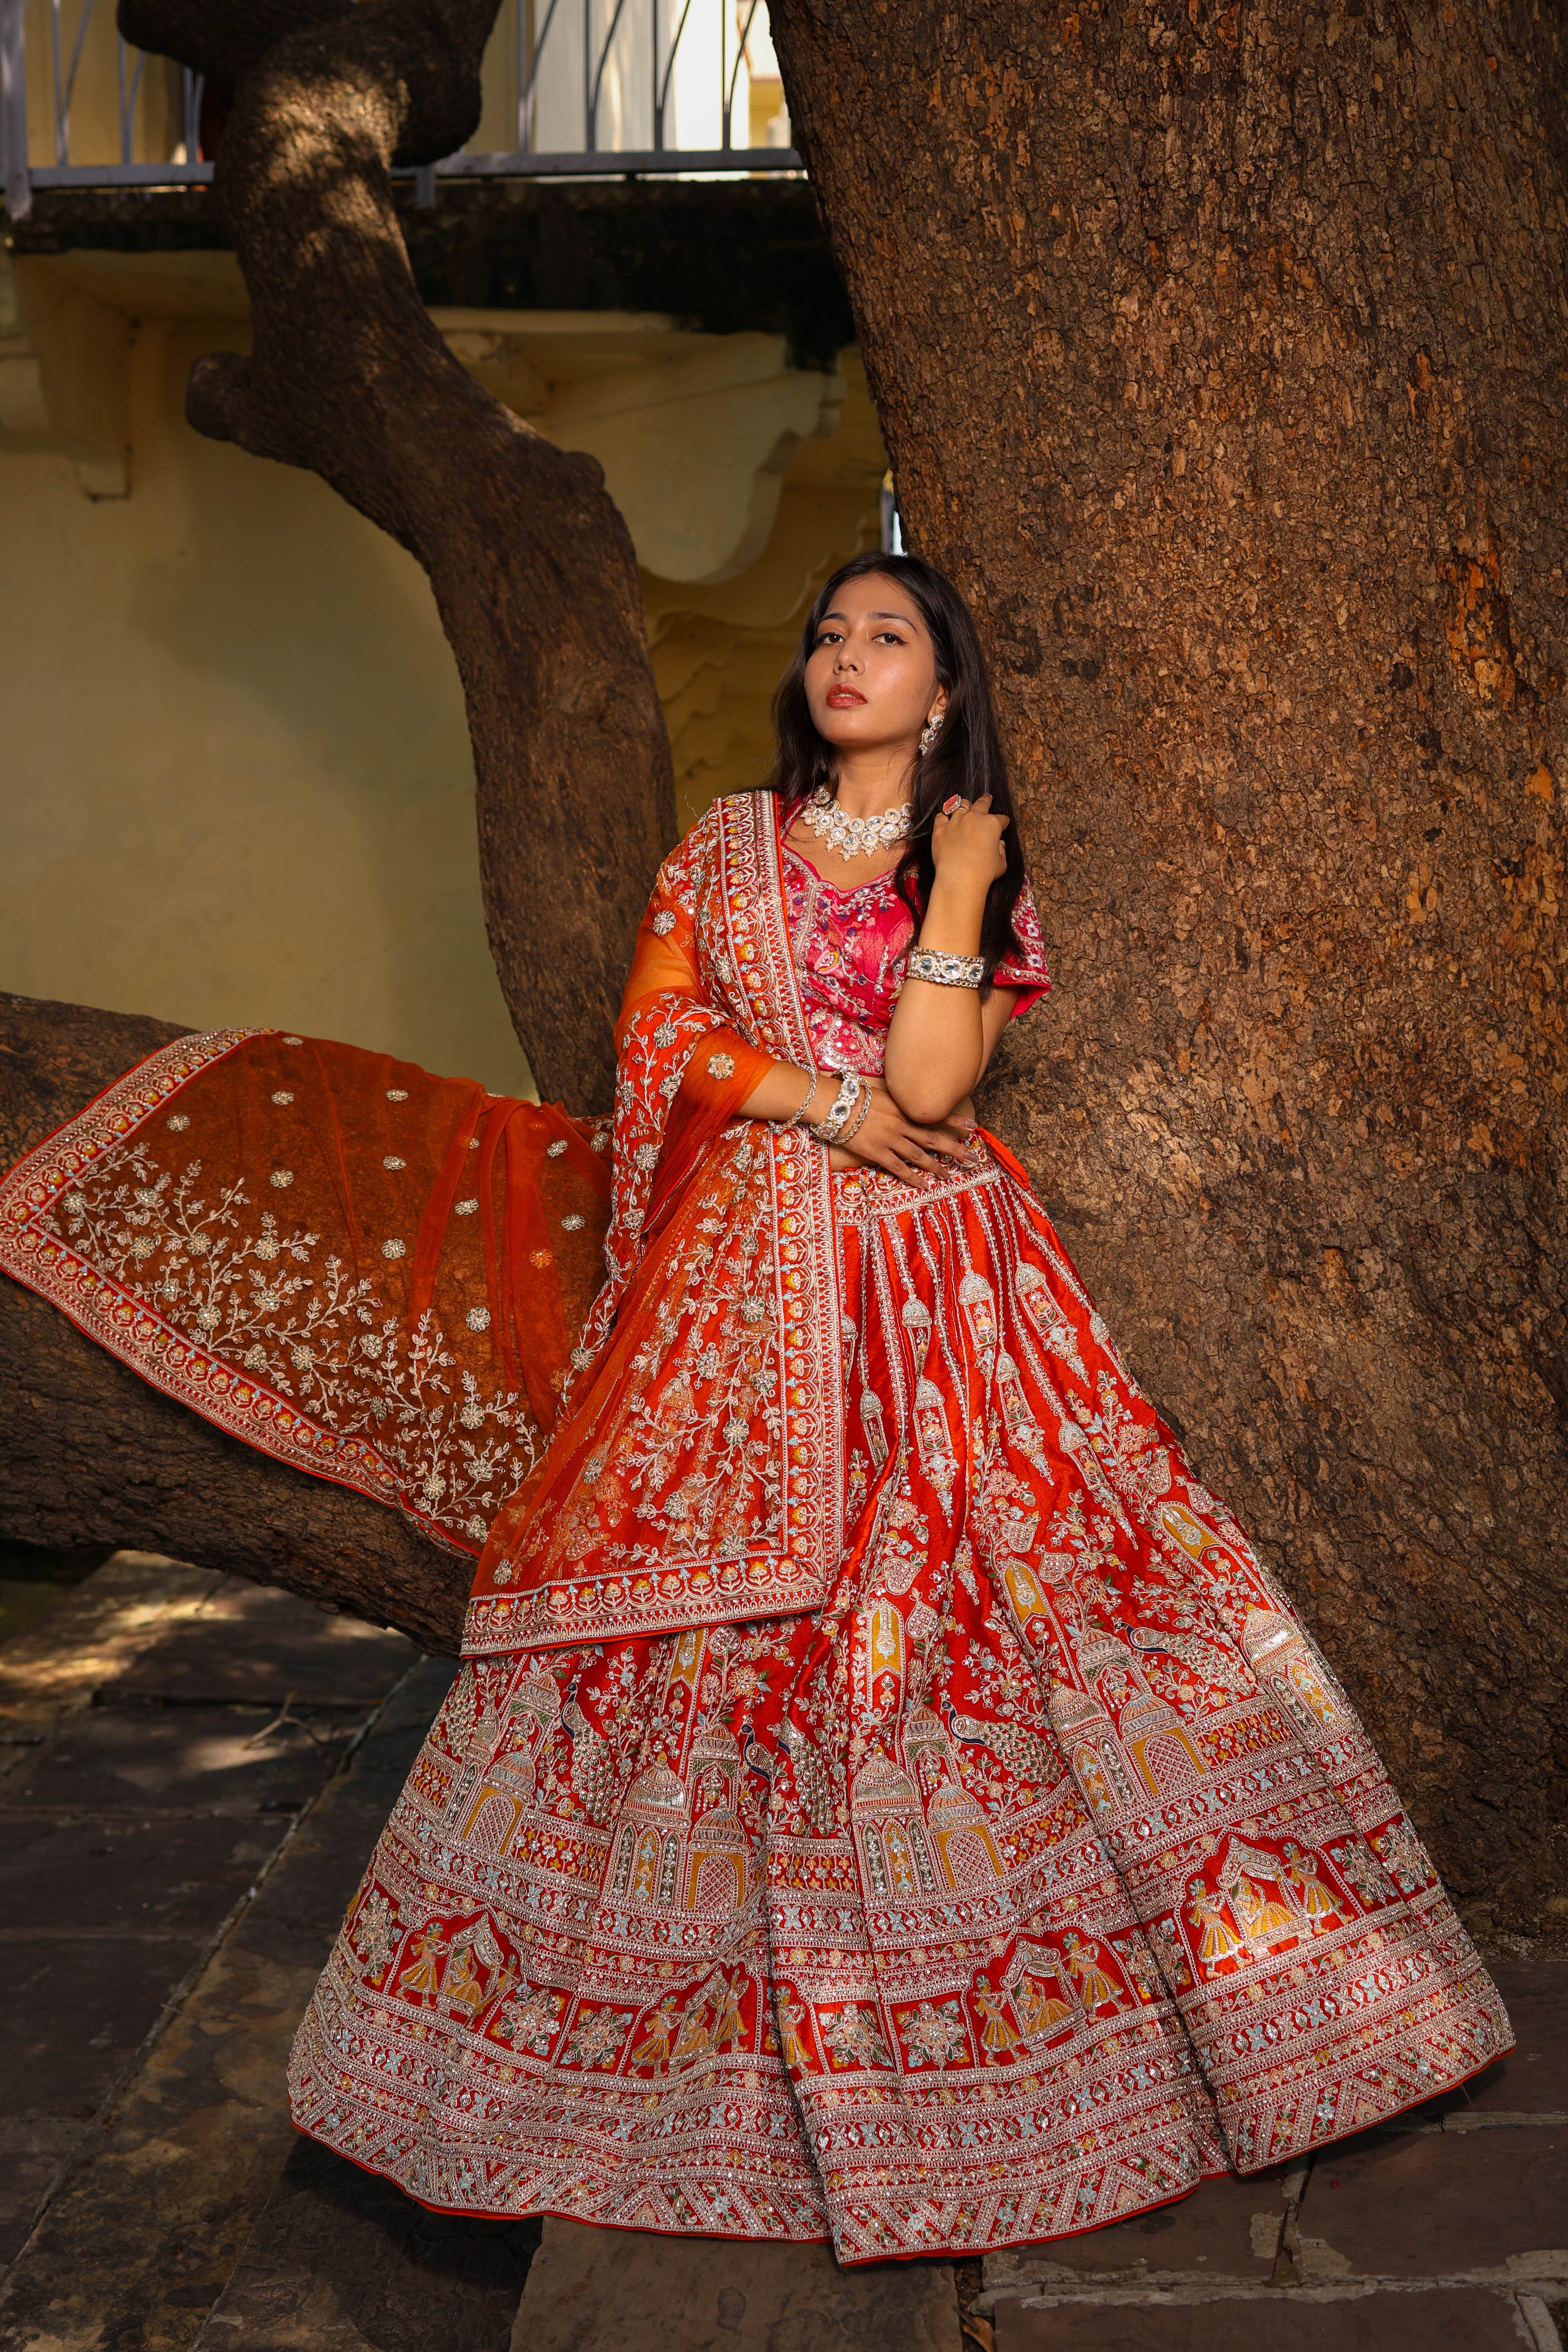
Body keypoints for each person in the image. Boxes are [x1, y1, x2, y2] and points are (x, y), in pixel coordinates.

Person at [0, 553, 1509, 2266]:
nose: (844, 659)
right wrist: (820, 1104)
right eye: (827, 636)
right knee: (686, 1641)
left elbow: (938, 1087)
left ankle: (1103, 2033)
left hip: (943, 1295)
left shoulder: (978, 872)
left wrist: (953, 886)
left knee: (1004, 1603)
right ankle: (636, 2053)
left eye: (888, 640)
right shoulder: (725, 848)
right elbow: (655, 1037)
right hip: (730, 1292)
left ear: (942, 693)